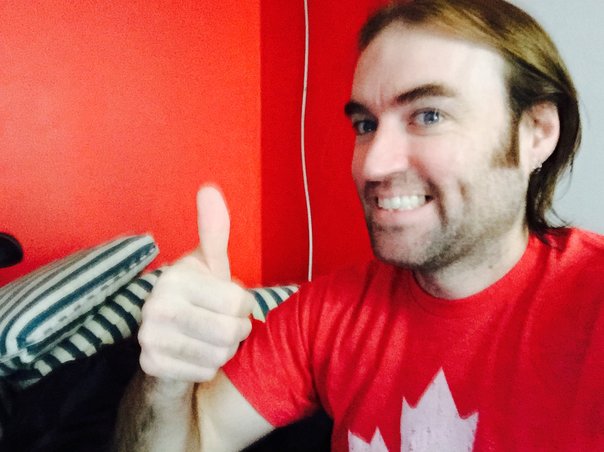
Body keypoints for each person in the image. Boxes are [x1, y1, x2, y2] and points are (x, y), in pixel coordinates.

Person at [115, 0, 604, 450]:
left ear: (537, 133)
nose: (373, 165)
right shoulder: (325, 314)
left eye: (428, 115)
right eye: (366, 125)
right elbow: (192, 440)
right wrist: (165, 380)